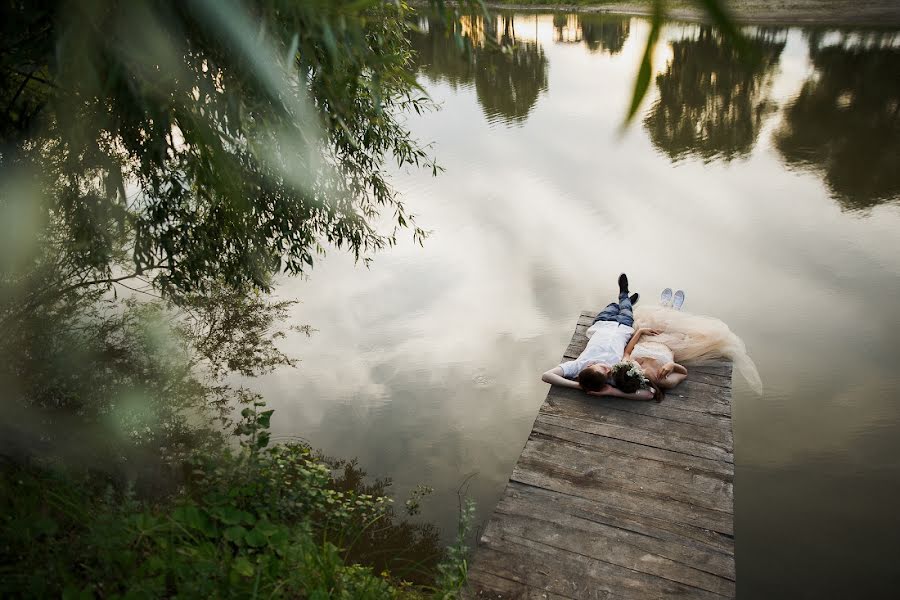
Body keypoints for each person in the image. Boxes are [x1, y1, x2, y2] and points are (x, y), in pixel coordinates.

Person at [622, 288, 763, 396]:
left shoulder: (628, 369)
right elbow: (683, 373)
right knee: (681, 331)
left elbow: (627, 351)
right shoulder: (663, 380)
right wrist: (672, 365)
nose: (639, 367)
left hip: (646, 339)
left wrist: (640, 332)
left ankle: (664, 307)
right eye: (641, 371)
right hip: (668, 345)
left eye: (638, 368)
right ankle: (674, 311)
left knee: (646, 322)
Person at [541, 273, 655, 400]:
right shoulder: (614, 376)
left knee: (612, 305)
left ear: (589, 366)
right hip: (623, 326)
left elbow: (546, 376)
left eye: (601, 367)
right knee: (625, 308)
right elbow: (649, 394)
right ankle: (624, 295)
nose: (607, 369)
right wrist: (612, 391)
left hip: (602, 323)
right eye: (606, 373)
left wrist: (578, 386)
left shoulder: (578, 365)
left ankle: (624, 302)